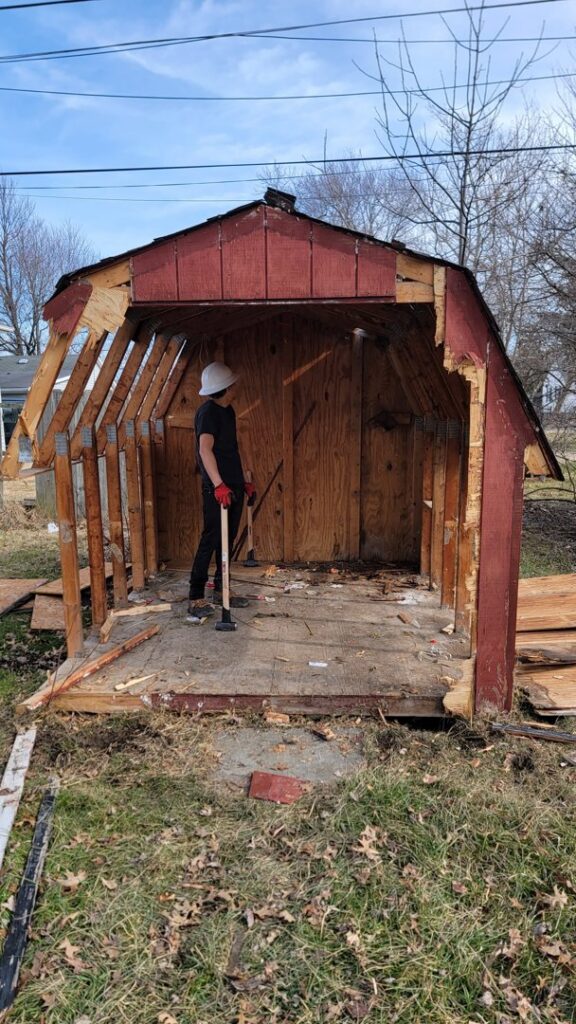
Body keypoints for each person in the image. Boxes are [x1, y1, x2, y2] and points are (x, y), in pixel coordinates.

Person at [187, 361, 256, 623]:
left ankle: (220, 590)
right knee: (211, 539)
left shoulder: (228, 411)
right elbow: (205, 450)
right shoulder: (207, 413)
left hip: (233, 484)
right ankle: (195, 596)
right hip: (218, 488)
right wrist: (218, 485)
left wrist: (245, 478)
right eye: (233, 383)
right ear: (227, 387)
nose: (237, 386)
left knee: (227, 541)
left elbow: (232, 449)